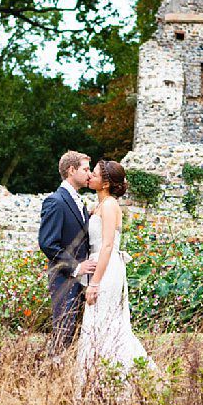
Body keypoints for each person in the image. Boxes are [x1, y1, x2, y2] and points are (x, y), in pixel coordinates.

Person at [76, 159, 155, 389]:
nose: (90, 176)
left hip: (107, 269)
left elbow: (108, 245)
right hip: (99, 265)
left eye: (95, 174)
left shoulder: (110, 205)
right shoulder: (100, 205)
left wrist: (95, 283)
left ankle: (118, 380)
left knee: (106, 323)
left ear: (106, 184)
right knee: (97, 323)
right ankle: (98, 380)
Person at [38, 151, 99, 357]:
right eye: (85, 169)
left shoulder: (77, 201)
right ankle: (54, 371)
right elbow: (48, 243)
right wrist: (76, 267)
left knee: (76, 336)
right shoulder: (56, 201)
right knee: (63, 333)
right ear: (71, 170)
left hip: (83, 281)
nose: (89, 174)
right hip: (64, 278)